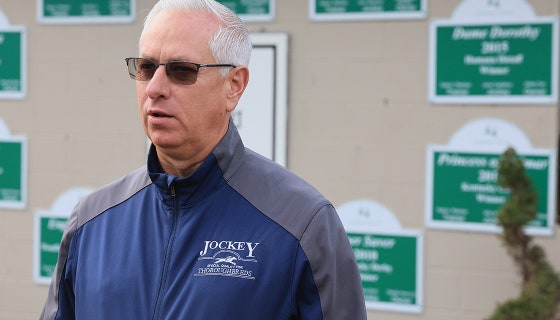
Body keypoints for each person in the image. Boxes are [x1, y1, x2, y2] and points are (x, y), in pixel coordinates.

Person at [39, 0, 367, 319]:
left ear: (234, 86)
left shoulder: (301, 224)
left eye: (182, 70)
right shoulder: (92, 221)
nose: (155, 88)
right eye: (146, 67)